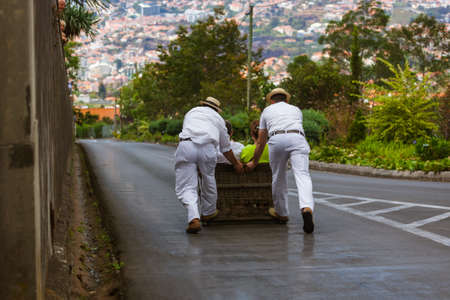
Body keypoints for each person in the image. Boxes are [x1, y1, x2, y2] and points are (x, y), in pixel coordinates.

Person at [246, 88, 315, 233]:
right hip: (297, 138)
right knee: (302, 175)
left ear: (271, 100)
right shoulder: (296, 110)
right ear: (286, 99)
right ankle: (307, 207)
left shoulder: (267, 111)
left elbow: (261, 141)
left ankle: (281, 213)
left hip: (276, 139)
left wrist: (254, 161)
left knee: (278, 176)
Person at [175, 97, 244, 234]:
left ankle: (194, 218)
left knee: (187, 185)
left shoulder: (191, 112)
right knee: (208, 179)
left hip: (186, 145)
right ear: (217, 109)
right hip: (207, 148)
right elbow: (226, 148)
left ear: (203, 104)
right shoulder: (218, 119)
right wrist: (236, 164)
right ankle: (208, 212)